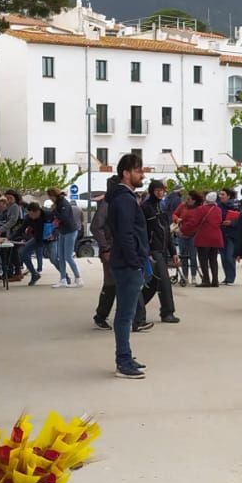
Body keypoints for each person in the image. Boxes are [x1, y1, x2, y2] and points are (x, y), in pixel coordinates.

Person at [105, 154, 149, 379]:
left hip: (127, 262)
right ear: (126, 173)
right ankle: (123, 360)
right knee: (125, 314)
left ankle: (126, 355)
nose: (142, 174)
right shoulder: (124, 199)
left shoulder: (125, 197)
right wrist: (135, 261)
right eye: (138, 170)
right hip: (127, 264)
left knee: (126, 312)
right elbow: (125, 233)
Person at [90, 177, 149, 333]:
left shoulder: (124, 201)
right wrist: (106, 248)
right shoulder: (108, 203)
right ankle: (105, 316)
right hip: (113, 250)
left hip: (124, 249)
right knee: (117, 284)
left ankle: (135, 319)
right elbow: (96, 227)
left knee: (125, 283)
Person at [141, 180, 179, 323]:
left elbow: (167, 232)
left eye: (161, 190)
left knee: (154, 283)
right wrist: (147, 250)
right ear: (152, 191)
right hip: (153, 250)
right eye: (157, 190)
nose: (159, 192)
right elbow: (142, 231)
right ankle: (167, 312)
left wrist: (173, 251)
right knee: (163, 282)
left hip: (162, 249)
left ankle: (135, 307)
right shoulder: (146, 208)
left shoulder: (162, 207)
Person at [46, 187, 81, 288]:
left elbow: (63, 217)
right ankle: (63, 279)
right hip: (62, 231)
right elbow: (55, 216)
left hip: (70, 230)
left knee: (68, 256)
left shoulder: (63, 203)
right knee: (60, 256)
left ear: (54, 195)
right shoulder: (57, 204)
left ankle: (78, 278)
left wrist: (54, 211)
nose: (50, 199)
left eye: (50, 197)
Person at [187, 192, 224, 287]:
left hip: (204, 237)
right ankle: (215, 280)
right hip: (216, 237)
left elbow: (193, 222)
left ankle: (206, 279)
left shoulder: (201, 209)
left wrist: (182, 229)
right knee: (213, 259)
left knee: (203, 259)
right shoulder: (218, 210)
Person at [14, 200, 49, 285]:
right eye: (28, 213)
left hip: (50, 239)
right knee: (22, 252)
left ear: (37, 212)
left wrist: (54, 235)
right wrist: (10, 237)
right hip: (37, 238)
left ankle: (65, 276)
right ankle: (34, 274)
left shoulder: (47, 215)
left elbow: (56, 226)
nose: (30, 216)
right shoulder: (28, 217)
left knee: (53, 258)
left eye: (31, 214)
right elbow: (21, 229)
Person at [217, 189, 239, 286]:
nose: (220, 196)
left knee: (230, 256)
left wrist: (232, 223)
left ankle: (231, 278)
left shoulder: (236, 206)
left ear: (229, 196)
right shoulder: (218, 206)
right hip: (221, 233)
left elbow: (241, 219)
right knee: (223, 256)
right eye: (220, 194)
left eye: (223, 194)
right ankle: (227, 277)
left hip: (231, 234)